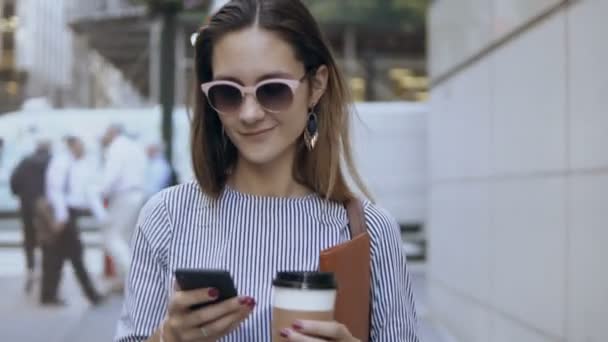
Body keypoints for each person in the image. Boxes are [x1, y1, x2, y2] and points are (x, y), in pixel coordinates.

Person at [115, 0, 419, 341]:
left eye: (272, 90)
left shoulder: (371, 232)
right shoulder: (167, 218)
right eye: (228, 93)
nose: (249, 113)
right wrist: (168, 337)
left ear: (316, 85)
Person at [43, 136, 104, 306]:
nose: (83, 148)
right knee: (75, 255)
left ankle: (48, 294)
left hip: (71, 214)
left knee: (58, 256)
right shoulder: (62, 163)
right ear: (72, 146)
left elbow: (88, 191)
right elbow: (56, 191)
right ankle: (92, 295)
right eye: (81, 145)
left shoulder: (78, 164)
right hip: (64, 214)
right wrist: (61, 217)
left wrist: (101, 216)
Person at [99, 124, 147, 291]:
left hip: (123, 195)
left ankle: (131, 278)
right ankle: (126, 280)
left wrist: (101, 191)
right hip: (136, 194)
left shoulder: (117, 148)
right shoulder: (133, 147)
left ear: (113, 132)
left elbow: (112, 175)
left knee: (112, 237)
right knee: (125, 239)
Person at [10, 140, 52, 293]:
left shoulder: (24, 162)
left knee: (29, 239)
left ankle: (31, 268)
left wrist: (20, 194)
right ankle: (45, 271)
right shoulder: (51, 162)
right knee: (47, 239)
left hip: (26, 205)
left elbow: (14, 181)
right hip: (45, 207)